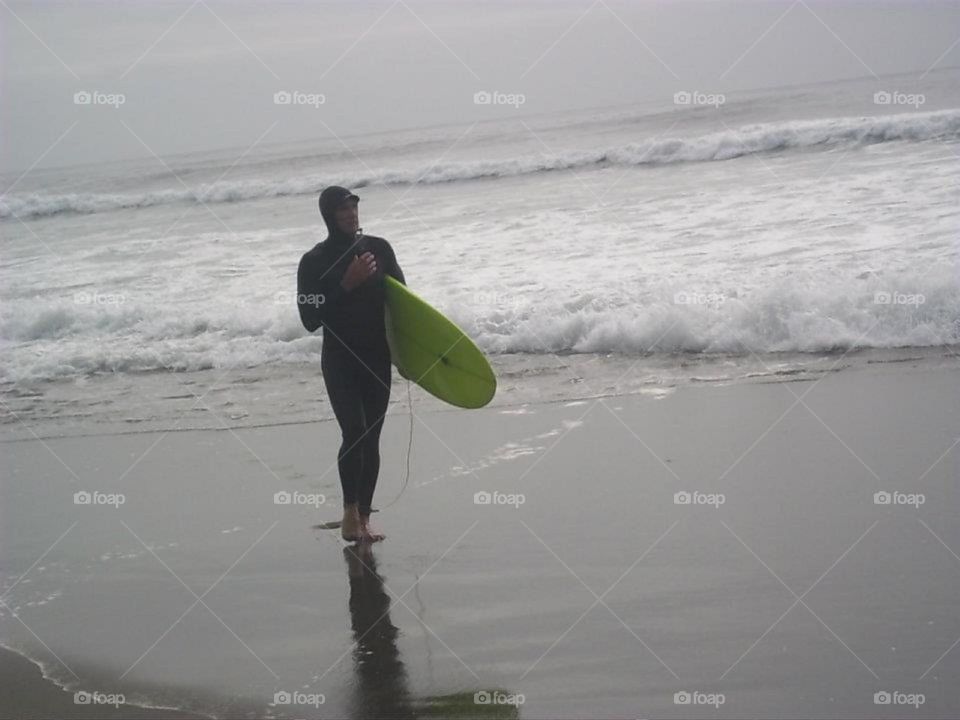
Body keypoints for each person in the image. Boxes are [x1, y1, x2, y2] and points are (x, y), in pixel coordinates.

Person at [297, 186, 406, 543]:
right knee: (354, 432)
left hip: (377, 356)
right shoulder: (313, 261)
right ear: (329, 215)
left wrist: (412, 356)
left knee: (372, 437)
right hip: (341, 359)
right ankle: (348, 513)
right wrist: (346, 284)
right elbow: (310, 318)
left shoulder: (379, 249)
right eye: (343, 209)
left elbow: (403, 301)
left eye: (354, 207)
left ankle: (363, 516)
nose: (350, 214)